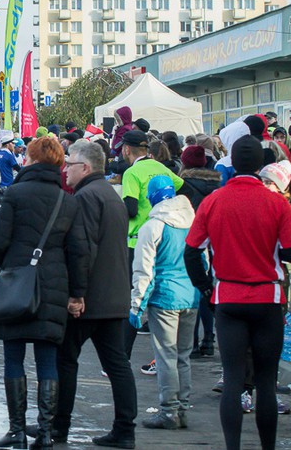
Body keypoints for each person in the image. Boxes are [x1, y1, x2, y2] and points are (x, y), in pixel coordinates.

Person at [185, 135, 291, 450]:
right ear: (261, 164)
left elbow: (191, 252)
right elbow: (288, 251)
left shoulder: (214, 201)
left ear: (231, 162)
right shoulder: (277, 203)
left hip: (227, 297)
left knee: (232, 380)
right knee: (266, 383)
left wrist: (205, 286)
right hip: (268, 297)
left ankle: (233, 447)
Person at [0, 136, 89, 450]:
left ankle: (17, 429)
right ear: (59, 164)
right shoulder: (68, 200)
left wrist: (2, 266)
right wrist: (77, 293)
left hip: (18, 283)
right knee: (48, 361)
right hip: (54, 286)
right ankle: (44, 434)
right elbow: (78, 251)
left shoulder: (15, 193)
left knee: (13, 358)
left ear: (30, 160)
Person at [36, 141, 137, 449]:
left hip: (90, 298)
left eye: (70, 164)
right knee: (117, 364)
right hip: (115, 294)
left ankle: (59, 426)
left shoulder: (86, 197)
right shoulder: (110, 195)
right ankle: (125, 429)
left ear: (86, 168)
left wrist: (77, 294)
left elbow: (83, 250)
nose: (65, 169)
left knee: (66, 360)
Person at [130, 175, 198, 430]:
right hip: (190, 296)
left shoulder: (153, 227)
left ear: (153, 197)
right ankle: (181, 408)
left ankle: (169, 411)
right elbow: (203, 262)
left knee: (166, 356)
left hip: (164, 299)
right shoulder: (193, 223)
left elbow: (144, 270)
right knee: (183, 356)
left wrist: (136, 305)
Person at [120, 129, 187, 359]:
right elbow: (182, 188)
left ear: (127, 149)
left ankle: (122, 356)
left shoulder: (132, 173)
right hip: (167, 237)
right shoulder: (162, 168)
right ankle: (162, 357)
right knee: (162, 299)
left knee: (135, 297)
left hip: (137, 241)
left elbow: (129, 208)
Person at [177, 145, 220, 358]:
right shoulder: (217, 185)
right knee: (208, 289)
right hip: (215, 241)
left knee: (195, 287)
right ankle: (209, 340)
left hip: (193, 239)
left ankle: (191, 343)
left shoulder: (184, 185)